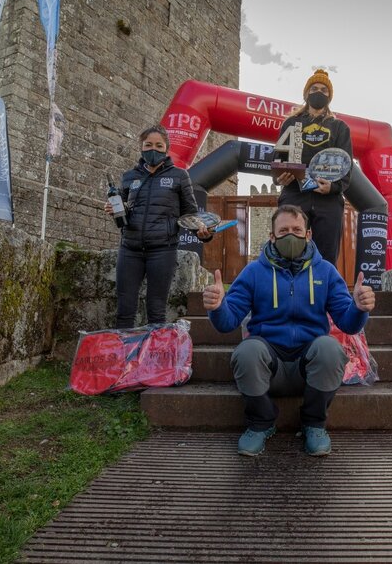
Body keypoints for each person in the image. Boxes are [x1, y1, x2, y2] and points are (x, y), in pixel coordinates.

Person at [202, 204, 375, 457]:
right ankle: (261, 423)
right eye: (283, 231)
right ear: (271, 236)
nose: (290, 235)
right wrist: (218, 306)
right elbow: (227, 323)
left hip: (310, 367)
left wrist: (359, 307)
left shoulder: (326, 272)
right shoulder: (253, 272)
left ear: (308, 234)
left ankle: (314, 424)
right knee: (247, 351)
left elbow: (348, 324)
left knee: (330, 348)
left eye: (297, 229)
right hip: (270, 366)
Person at [105, 125, 211, 327]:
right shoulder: (129, 177)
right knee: (124, 310)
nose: (153, 149)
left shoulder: (180, 176)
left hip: (163, 250)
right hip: (130, 248)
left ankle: (153, 357)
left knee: (156, 310)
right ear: (141, 147)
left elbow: (190, 213)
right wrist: (114, 209)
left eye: (158, 145)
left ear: (166, 149)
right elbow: (125, 209)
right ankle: (126, 357)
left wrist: (204, 233)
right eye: (148, 145)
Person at [274, 69, 352, 265]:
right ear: (306, 93)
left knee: (325, 258)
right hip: (294, 195)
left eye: (324, 90)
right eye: (315, 88)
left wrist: (333, 188)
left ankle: (322, 293)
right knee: (289, 252)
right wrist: (279, 177)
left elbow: (346, 166)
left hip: (328, 200)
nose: (319, 92)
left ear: (330, 96)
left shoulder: (339, 127)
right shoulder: (291, 123)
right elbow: (278, 158)